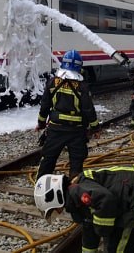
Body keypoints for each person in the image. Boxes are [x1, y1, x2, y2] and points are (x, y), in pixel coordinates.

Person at [34, 165, 134, 253]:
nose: (58, 212)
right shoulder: (75, 192)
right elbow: (89, 225)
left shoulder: (76, 191)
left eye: (54, 209)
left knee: (117, 248)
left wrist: (104, 232)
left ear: (56, 196)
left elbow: (106, 201)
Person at [35, 50, 100, 180]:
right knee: (76, 162)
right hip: (76, 131)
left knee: (48, 158)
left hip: (55, 129)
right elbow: (88, 109)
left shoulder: (53, 82)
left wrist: (41, 123)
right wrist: (95, 128)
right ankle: (74, 189)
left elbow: (45, 106)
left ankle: (40, 185)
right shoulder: (82, 86)